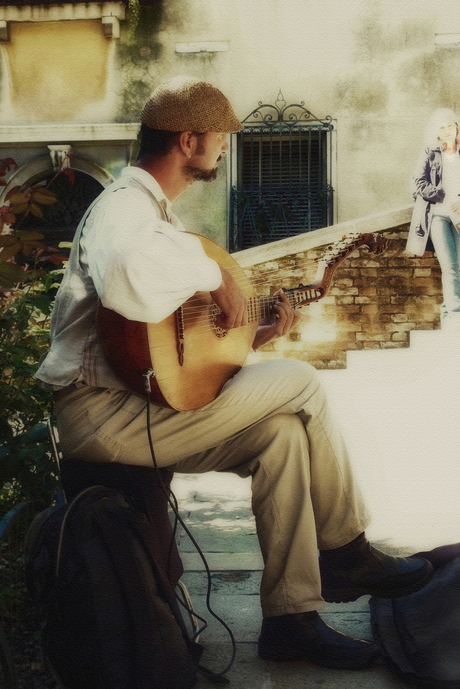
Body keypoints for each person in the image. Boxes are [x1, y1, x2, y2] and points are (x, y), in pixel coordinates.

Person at [35, 75, 433, 673]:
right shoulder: (122, 206)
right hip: (99, 414)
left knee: (283, 436)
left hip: (136, 407)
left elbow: (171, 349)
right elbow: (128, 275)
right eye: (221, 139)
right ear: (189, 140)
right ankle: (348, 552)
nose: (225, 151)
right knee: (301, 383)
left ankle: (291, 618)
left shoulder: (153, 215)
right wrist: (215, 274)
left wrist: (258, 333)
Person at [407, 108, 460, 328]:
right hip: (438, 216)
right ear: (437, 133)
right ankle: (453, 315)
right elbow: (418, 181)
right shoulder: (430, 152)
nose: (448, 131)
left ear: (456, 127)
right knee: (449, 267)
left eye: (451, 125)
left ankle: (449, 310)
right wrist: (440, 195)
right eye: (442, 128)